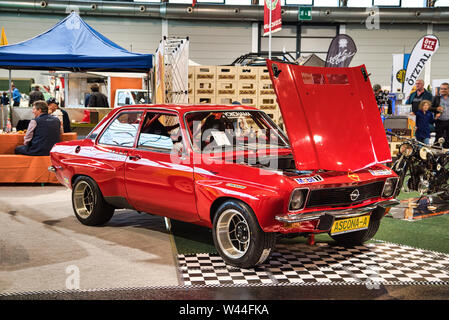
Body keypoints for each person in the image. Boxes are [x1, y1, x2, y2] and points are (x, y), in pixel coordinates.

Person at [431, 82, 449, 147]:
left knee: (447, 139)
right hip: (439, 121)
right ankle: (437, 154)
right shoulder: (436, 98)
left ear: (448, 90)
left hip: (448, 121)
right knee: (438, 138)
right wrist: (436, 109)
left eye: (445, 89)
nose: (443, 90)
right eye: (441, 89)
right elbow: (430, 108)